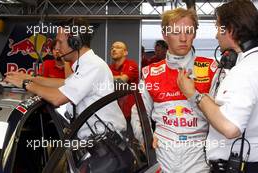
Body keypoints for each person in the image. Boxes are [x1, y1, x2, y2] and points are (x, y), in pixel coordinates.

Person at [5, 20, 127, 140]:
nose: (56, 47)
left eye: (59, 42)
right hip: (99, 140)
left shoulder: (93, 66)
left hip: (106, 143)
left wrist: (25, 83)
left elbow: (57, 98)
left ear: (75, 43)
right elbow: (64, 83)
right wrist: (30, 78)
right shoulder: (87, 64)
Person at [131, 8, 217, 173]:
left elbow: (222, 115)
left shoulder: (211, 68)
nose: (183, 38)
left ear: (195, 34)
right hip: (163, 156)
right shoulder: (150, 73)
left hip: (200, 157)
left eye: (188, 31)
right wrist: (145, 138)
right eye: (176, 32)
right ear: (165, 35)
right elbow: (138, 112)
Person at [177, 0, 258, 172]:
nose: (216, 35)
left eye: (218, 28)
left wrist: (194, 94)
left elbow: (230, 127)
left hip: (240, 166)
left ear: (230, 29)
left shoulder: (245, 70)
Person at [109, 41, 139, 120]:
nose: (114, 49)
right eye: (112, 48)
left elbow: (122, 81)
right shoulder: (108, 68)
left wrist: (109, 78)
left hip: (131, 114)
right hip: (114, 113)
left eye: (118, 47)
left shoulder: (132, 64)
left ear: (125, 52)